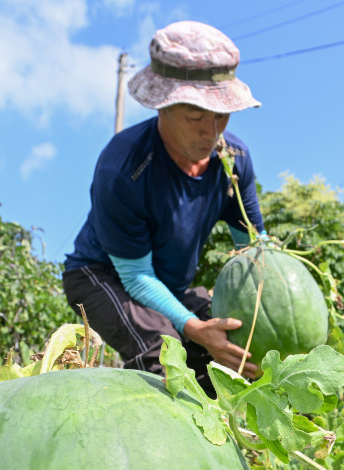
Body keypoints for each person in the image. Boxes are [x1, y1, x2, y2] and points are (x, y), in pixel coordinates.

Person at [62, 21, 265, 387]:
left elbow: (252, 250)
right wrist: (192, 327)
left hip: (167, 285)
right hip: (102, 275)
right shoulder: (123, 167)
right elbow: (137, 278)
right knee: (165, 352)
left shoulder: (233, 161)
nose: (212, 131)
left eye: (222, 115)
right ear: (163, 107)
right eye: (195, 117)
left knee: (233, 344)